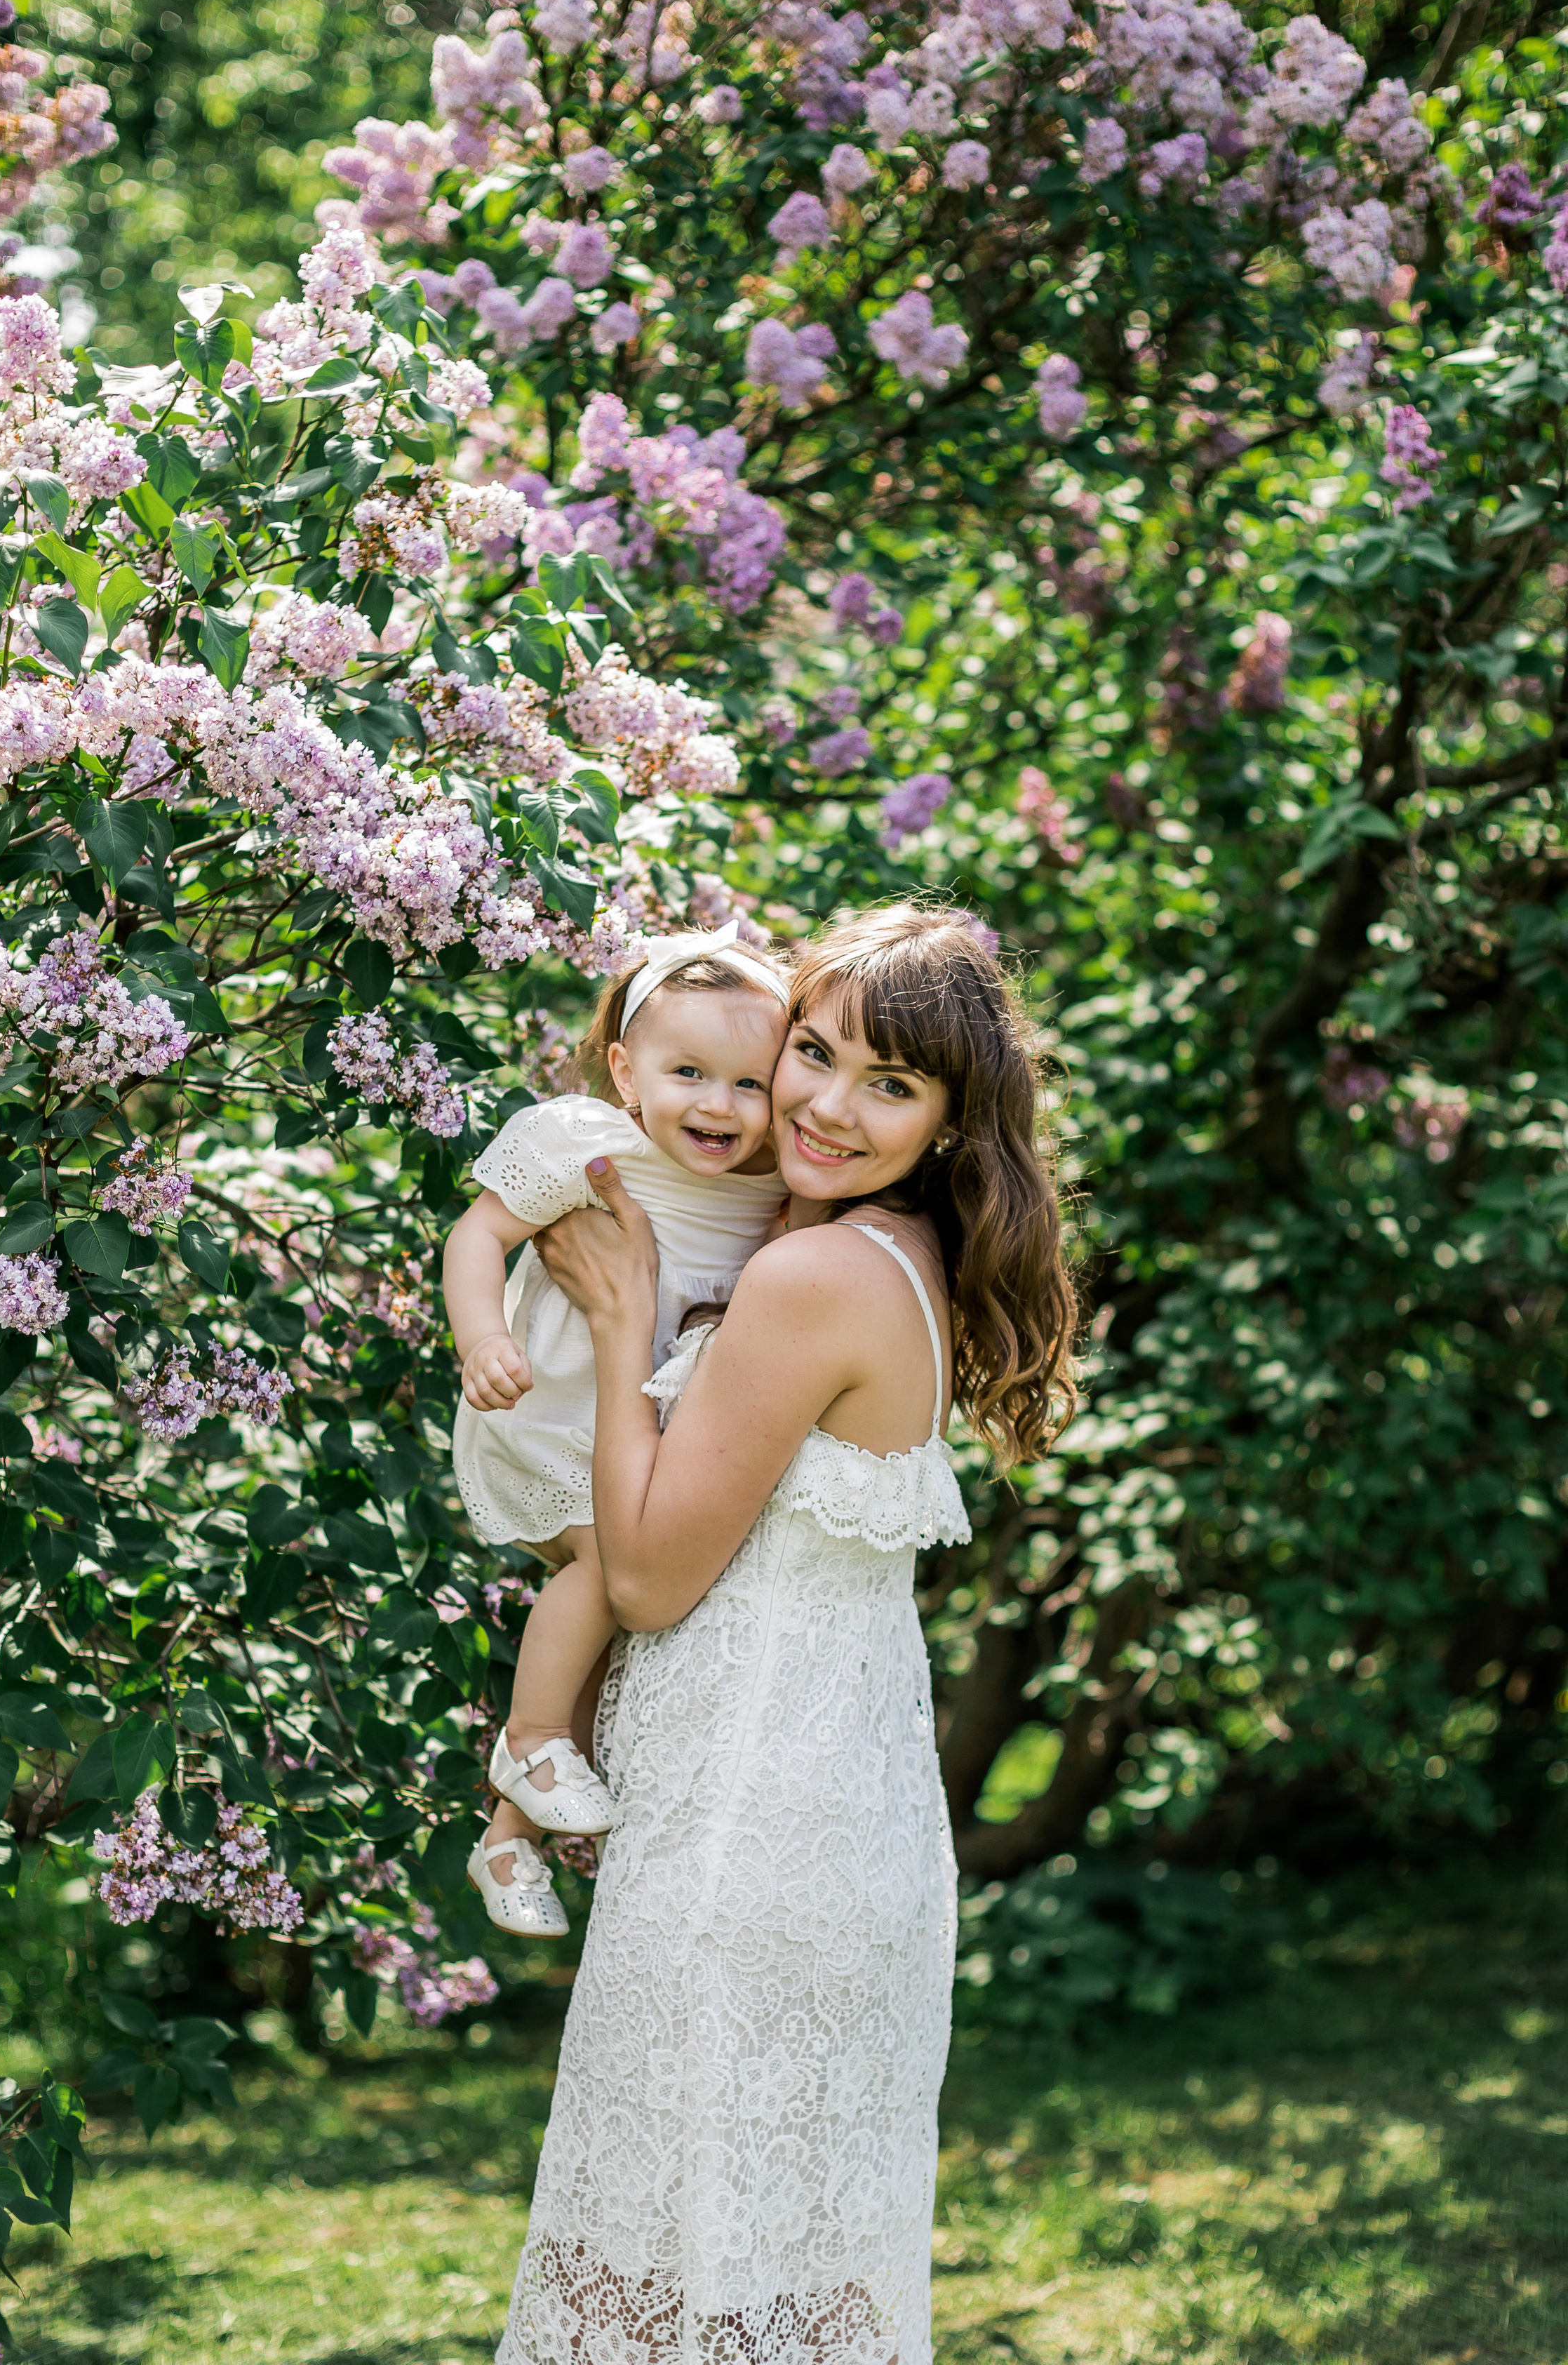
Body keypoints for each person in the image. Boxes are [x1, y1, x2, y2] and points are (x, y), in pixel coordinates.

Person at [495, 901, 1078, 2365]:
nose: (822, 1105)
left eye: (890, 1085)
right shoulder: (895, 1253)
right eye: (811, 1054)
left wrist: (621, 1321)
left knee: (685, 2275)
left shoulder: (811, 1276)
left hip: (750, 1844)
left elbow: (646, 1581)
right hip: (838, 1824)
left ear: (950, 1122)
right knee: (776, 2277)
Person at [442, 924, 791, 1938]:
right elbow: (479, 1234)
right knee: (605, 1566)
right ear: (629, 1073)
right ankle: (531, 1738)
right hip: (552, 1407)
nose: (720, 1105)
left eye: (750, 1082)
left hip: (648, 1422)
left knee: (618, 1615)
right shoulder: (588, 1143)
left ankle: (508, 1840)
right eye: (689, 1074)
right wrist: (479, 1338)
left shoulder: (774, 1182)